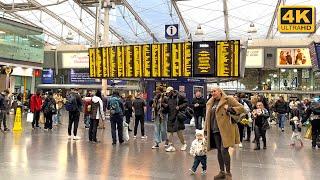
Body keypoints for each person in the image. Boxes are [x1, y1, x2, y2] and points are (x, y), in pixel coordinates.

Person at [204, 87, 245, 180]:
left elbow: (241, 108)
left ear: (220, 91)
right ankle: (222, 172)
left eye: (214, 91)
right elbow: (207, 116)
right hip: (215, 129)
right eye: (211, 92)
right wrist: (206, 129)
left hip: (226, 129)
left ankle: (228, 173)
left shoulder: (228, 99)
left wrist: (230, 109)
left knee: (224, 150)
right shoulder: (210, 102)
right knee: (219, 150)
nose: (212, 93)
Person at [165, 87, 188, 152]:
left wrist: (180, 107)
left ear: (172, 91)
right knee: (169, 132)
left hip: (177, 116)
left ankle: (184, 144)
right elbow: (168, 108)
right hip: (170, 116)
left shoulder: (179, 96)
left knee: (179, 132)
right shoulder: (168, 98)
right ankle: (171, 145)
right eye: (167, 93)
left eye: (168, 92)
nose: (167, 94)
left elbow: (186, 103)